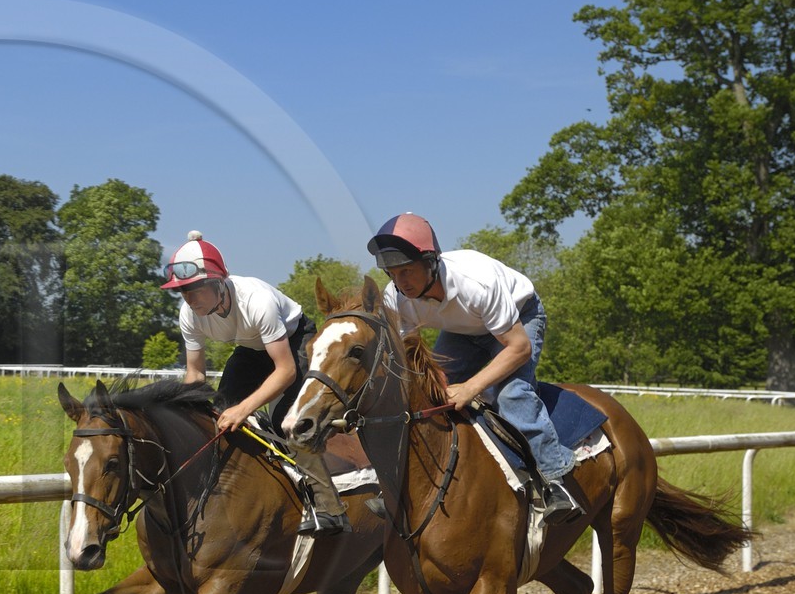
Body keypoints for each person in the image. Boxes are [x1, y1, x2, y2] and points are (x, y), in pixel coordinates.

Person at [367, 212, 581, 521]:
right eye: (392, 274)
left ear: (431, 262)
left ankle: (555, 482)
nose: (401, 283)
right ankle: (396, 483)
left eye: (407, 271)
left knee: (511, 394)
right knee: (421, 394)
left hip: (519, 320)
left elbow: (519, 349)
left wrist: (470, 387)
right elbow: (410, 359)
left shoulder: (476, 282)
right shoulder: (396, 298)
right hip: (463, 330)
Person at [160, 230, 349, 536]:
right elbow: (194, 376)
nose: (188, 298)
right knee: (218, 413)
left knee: (285, 421)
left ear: (218, 282)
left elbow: (286, 371)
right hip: (251, 348)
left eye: (194, 289)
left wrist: (245, 408)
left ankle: (330, 507)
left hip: (294, 342)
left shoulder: (257, 300)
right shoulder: (189, 314)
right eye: (182, 291)